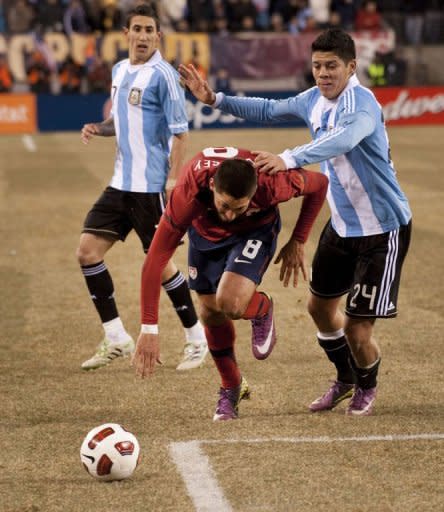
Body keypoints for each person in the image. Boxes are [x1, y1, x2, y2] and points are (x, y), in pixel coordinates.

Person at [178, 27, 412, 416]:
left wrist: (290, 158)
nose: (323, 74)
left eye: (331, 66)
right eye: (317, 66)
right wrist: (216, 99)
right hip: (342, 227)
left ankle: (366, 386)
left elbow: (344, 139)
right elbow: (269, 109)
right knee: (318, 309)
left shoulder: (362, 104)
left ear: (351, 67)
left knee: (357, 328)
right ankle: (345, 378)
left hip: (382, 229)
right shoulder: (314, 100)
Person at [132, 146, 328, 421]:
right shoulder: (189, 190)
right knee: (210, 311)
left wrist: (299, 239)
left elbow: (320, 184)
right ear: (212, 185)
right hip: (204, 235)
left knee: (231, 303)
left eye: (240, 207)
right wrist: (149, 328)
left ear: (254, 191)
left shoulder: (273, 182)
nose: (230, 215)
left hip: (254, 232)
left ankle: (261, 308)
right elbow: (155, 260)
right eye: (224, 205)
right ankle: (232, 386)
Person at [77, 4, 208, 372]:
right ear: (127, 33)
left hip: (149, 188)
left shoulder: (163, 75)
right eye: (138, 29)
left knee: (161, 265)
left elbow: (180, 133)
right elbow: (118, 121)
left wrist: (170, 183)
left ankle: (196, 338)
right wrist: (97, 128)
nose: (144, 36)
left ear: (158, 36)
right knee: (87, 252)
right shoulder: (120, 70)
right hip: (120, 184)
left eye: (150, 30)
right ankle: (116, 336)